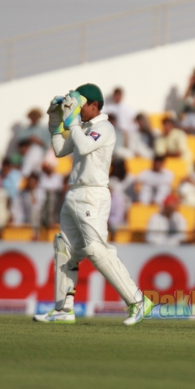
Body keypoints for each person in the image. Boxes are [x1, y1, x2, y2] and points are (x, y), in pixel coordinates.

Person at [34, 83, 153, 325]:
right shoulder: (84, 127)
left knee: (96, 249)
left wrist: (72, 123)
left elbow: (86, 146)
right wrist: (56, 123)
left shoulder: (105, 128)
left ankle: (138, 301)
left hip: (92, 194)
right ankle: (63, 309)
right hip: (74, 192)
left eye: (80, 105)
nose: (76, 109)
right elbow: (59, 150)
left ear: (94, 105)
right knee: (64, 249)